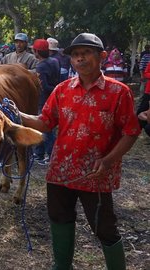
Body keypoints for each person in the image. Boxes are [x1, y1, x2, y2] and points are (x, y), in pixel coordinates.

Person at [20, 33, 140, 270]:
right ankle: (62, 266)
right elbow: (45, 122)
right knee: (59, 218)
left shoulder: (119, 92)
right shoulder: (62, 90)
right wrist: (16, 115)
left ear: (102, 56)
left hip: (95, 175)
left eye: (86, 53)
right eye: (75, 55)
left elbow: (131, 131)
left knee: (104, 227)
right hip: (60, 172)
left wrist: (109, 161)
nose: (80, 59)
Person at [32, 39, 60, 165]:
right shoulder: (55, 61)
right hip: (54, 99)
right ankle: (39, 153)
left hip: (44, 100)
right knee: (48, 128)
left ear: (37, 51)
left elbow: (44, 86)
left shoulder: (41, 66)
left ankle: (51, 154)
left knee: (45, 128)